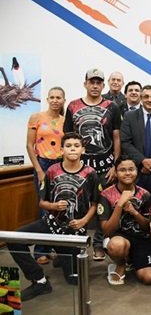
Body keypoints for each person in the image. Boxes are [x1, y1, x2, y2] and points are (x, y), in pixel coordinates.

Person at [8, 133, 100, 300]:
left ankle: (61, 255)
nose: (73, 149)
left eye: (77, 146)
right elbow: (42, 203)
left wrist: (83, 221)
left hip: (73, 232)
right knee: (14, 239)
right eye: (68, 146)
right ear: (62, 150)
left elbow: (94, 204)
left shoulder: (91, 173)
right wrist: (54, 206)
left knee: (74, 280)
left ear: (83, 150)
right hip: (50, 225)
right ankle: (39, 281)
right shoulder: (52, 171)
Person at [64, 68, 121, 261]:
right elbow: (67, 138)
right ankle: (71, 247)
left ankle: (98, 244)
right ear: (85, 84)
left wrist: (115, 164)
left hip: (105, 167)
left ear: (103, 85)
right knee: (76, 205)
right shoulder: (73, 106)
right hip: (79, 167)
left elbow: (116, 137)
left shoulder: (112, 106)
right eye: (92, 82)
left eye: (98, 83)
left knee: (103, 207)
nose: (95, 86)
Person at [98, 156, 151, 285]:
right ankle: (121, 264)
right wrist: (119, 205)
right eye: (122, 170)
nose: (127, 173)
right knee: (117, 245)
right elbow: (107, 231)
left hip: (141, 238)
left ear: (137, 171)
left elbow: (147, 228)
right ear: (115, 172)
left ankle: (133, 260)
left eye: (131, 169)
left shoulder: (145, 194)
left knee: (150, 277)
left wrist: (134, 212)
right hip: (119, 237)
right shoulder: (106, 195)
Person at [25, 86, 65, 264]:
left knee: (58, 208)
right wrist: (39, 170)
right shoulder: (36, 117)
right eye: (52, 97)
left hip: (60, 165)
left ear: (63, 100)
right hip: (42, 163)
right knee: (44, 207)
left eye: (58, 97)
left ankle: (55, 247)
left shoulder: (65, 121)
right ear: (48, 99)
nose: (55, 100)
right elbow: (29, 145)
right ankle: (40, 250)